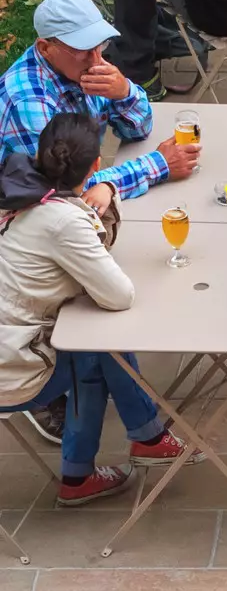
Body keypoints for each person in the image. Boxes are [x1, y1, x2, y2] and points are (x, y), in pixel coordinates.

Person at [0, 114, 191, 505]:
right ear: (95, 166)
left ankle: (132, 445)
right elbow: (118, 295)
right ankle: (126, 449)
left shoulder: (15, 186)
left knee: (90, 342)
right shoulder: (62, 219)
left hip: (10, 342)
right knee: (99, 346)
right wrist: (102, 206)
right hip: (12, 371)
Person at [0, 0, 199, 203]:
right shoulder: (29, 102)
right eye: (83, 49)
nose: (96, 60)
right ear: (46, 48)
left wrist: (124, 93)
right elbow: (64, 189)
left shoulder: (82, 69)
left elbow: (138, 131)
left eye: (99, 44)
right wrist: (157, 165)